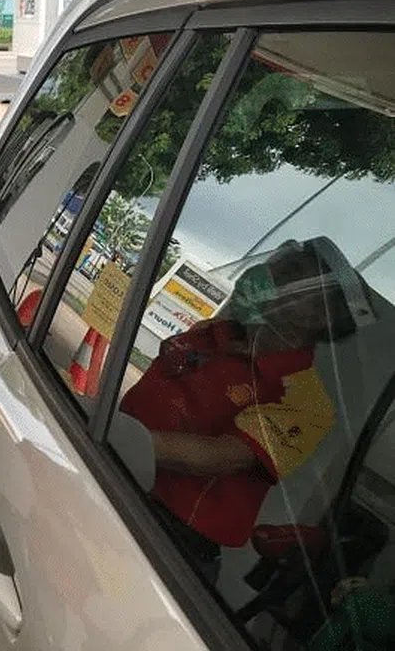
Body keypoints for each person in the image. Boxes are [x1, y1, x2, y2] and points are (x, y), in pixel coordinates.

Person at [120, 237, 375, 579]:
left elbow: (223, 456)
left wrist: (125, 437)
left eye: (290, 272)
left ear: (319, 316)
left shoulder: (304, 401)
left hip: (166, 539)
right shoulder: (213, 333)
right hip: (116, 468)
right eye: (277, 263)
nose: (269, 273)